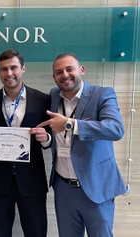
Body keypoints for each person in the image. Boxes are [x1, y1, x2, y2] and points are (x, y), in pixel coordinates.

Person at [37, 52, 127, 237]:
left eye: (69, 69)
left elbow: (116, 129)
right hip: (63, 188)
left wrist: (71, 124)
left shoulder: (102, 94)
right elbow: (58, 137)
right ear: (54, 77)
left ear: (82, 70)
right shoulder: (54, 95)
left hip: (96, 186)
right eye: (59, 72)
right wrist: (46, 139)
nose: (65, 75)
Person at [0, 49, 51, 237]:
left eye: (13, 68)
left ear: (23, 68)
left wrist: (46, 139)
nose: (9, 73)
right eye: (3, 69)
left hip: (32, 181)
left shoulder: (43, 100)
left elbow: (50, 137)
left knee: (36, 232)